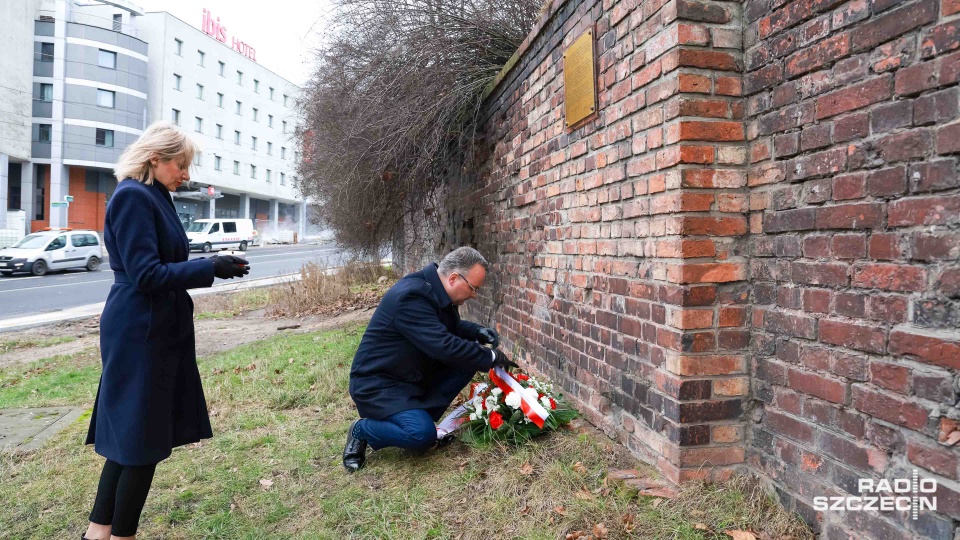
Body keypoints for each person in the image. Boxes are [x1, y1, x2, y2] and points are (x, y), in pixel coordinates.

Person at [82, 122, 250, 540]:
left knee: (132, 440)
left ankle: (96, 534)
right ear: (155, 158)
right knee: (140, 441)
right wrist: (209, 267)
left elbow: (164, 262)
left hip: (153, 324)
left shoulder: (154, 195)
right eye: (181, 164)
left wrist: (213, 264)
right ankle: (121, 536)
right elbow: (145, 273)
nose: (186, 174)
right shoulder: (134, 196)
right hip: (141, 328)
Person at [343, 247, 517, 472]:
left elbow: (443, 327)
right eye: (473, 288)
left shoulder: (433, 290)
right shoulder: (411, 296)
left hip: (409, 375)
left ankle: (416, 415)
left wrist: (476, 332)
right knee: (421, 435)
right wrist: (491, 356)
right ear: (454, 278)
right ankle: (361, 429)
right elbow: (443, 345)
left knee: (467, 359)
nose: (474, 294)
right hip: (379, 385)